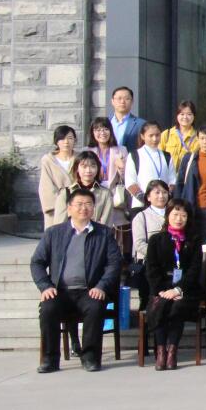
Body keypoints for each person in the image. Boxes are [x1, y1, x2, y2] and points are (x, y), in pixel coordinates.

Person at [31, 187, 122, 373]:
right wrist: (45, 286)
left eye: (88, 204)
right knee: (48, 308)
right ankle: (50, 359)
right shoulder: (54, 233)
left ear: (93, 208)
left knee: (95, 307)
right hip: (60, 291)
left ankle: (90, 357)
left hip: (89, 291)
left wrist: (102, 286)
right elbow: (37, 262)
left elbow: (114, 264)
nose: (84, 208)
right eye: (79, 204)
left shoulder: (104, 234)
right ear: (69, 208)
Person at [144, 197, 204, 370]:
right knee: (162, 304)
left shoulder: (194, 240)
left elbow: (194, 270)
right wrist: (162, 291)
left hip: (186, 290)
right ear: (168, 215)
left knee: (176, 306)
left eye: (183, 215)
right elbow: (152, 269)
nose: (179, 219)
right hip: (161, 290)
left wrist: (178, 290)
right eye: (175, 214)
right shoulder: (156, 240)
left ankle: (172, 351)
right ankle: (161, 350)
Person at [130, 179, 171, 310]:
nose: (161, 196)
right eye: (157, 192)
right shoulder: (141, 217)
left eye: (164, 192)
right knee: (149, 302)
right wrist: (158, 256)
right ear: (148, 197)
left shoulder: (174, 214)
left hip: (171, 265)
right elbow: (139, 244)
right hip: (149, 266)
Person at [53, 151, 117, 226]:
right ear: (77, 168)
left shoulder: (105, 194)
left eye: (93, 166)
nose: (88, 170)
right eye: (84, 166)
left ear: (98, 168)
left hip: (96, 232)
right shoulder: (66, 193)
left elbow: (106, 224)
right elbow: (59, 224)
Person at [124, 120, 173, 211]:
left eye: (157, 135)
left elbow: (172, 181)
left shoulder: (167, 156)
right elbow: (130, 182)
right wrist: (146, 199)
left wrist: (164, 197)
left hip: (163, 205)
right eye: (151, 136)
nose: (154, 139)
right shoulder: (135, 155)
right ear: (143, 136)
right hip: (141, 205)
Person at [86, 117, 128, 222]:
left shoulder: (121, 150)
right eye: (98, 130)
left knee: (114, 227)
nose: (102, 133)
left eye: (105, 129)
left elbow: (127, 177)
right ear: (92, 133)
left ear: (111, 131)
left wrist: (122, 168)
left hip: (115, 196)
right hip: (94, 194)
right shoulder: (87, 151)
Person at [39, 125, 78, 229]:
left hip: (77, 205)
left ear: (75, 140)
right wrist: (58, 204)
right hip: (56, 207)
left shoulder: (80, 158)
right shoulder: (48, 160)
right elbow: (45, 186)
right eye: (62, 139)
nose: (66, 142)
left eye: (70, 138)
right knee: (56, 233)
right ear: (56, 141)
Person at [160, 100, 199, 174]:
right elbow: (159, 156)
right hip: (167, 176)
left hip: (186, 177)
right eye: (182, 114)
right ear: (177, 115)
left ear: (194, 116)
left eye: (189, 114)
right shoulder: (167, 134)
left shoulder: (198, 138)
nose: (185, 117)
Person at [109, 86, 147, 154]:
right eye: (119, 98)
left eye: (127, 99)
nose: (122, 102)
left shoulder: (141, 124)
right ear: (112, 101)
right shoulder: (105, 122)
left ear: (132, 101)